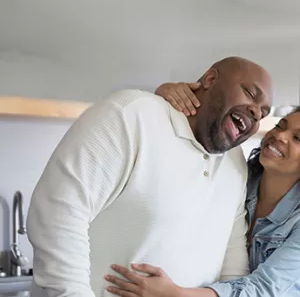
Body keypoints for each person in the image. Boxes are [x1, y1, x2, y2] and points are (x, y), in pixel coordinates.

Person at [26, 57, 272, 297]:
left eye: (263, 113)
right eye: (250, 94)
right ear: (210, 79)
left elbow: (233, 261)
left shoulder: (235, 163)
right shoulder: (131, 115)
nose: (255, 112)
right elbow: (58, 214)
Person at [104, 91, 300, 296]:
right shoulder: (236, 173)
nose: (280, 136)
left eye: (298, 138)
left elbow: (264, 289)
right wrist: (173, 98)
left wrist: (174, 294)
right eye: (280, 126)